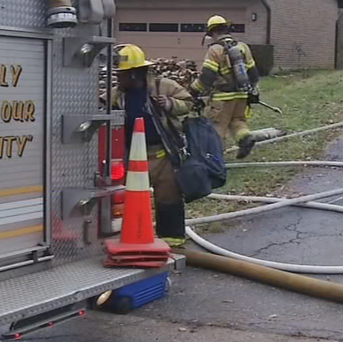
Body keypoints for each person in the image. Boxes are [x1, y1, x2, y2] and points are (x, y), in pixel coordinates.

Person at [109, 44, 193, 247]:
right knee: (132, 199)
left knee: (168, 196)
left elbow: (189, 103)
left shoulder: (163, 86)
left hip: (163, 153)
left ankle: (171, 240)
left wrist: (169, 104)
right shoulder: (117, 94)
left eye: (122, 74)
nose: (118, 78)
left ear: (134, 74)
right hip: (133, 157)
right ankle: (135, 236)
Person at [191, 15, 261, 159]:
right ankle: (246, 138)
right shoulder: (243, 47)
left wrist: (194, 89)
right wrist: (252, 89)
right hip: (242, 95)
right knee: (238, 121)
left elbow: (207, 76)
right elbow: (253, 73)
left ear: (212, 33)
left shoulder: (215, 50)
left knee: (218, 127)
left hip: (222, 98)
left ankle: (217, 159)